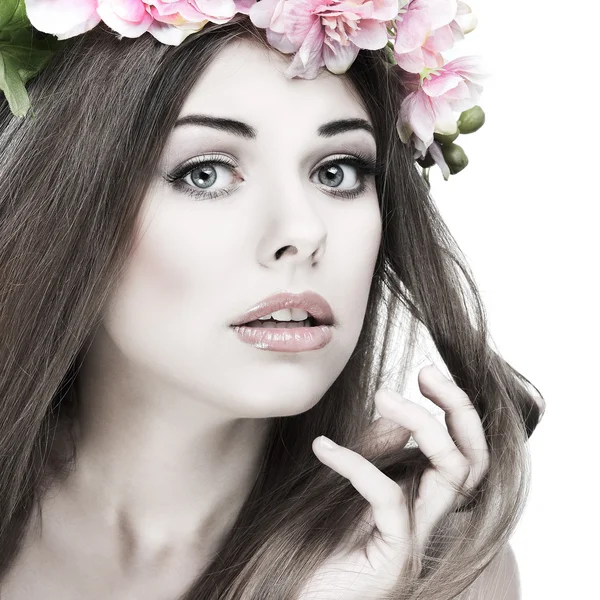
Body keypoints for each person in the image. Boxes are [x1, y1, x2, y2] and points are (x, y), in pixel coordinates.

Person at [0, 6, 544, 600]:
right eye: (206, 173)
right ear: (64, 209)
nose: (304, 230)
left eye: (337, 172)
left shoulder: (431, 566)